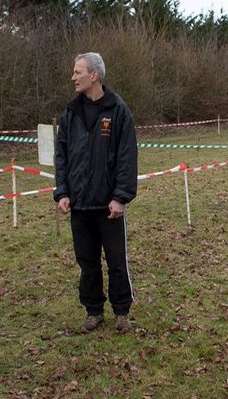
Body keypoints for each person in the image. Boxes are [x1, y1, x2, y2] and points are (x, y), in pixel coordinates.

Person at [54, 52, 138, 334]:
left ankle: (122, 312)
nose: (73, 77)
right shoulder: (70, 113)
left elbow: (127, 157)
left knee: (116, 261)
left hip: (108, 206)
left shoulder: (118, 111)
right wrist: (62, 192)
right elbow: (62, 156)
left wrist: (120, 197)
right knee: (87, 263)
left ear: (95, 75)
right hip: (79, 205)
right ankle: (93, 312)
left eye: (78, 72)